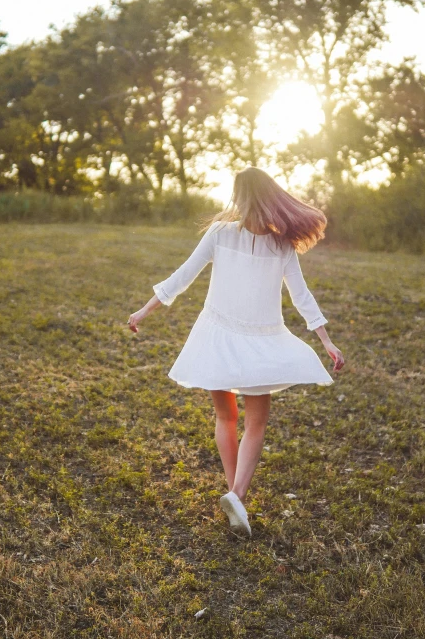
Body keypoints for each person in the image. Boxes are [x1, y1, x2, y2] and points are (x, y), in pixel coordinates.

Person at [128, 166, 344, 537]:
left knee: (224, 417)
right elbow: (301, 296)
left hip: (216, 337)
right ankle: (237, 496)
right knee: (256, 423)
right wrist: (324, 339)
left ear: (240, 198)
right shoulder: (283, 245)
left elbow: (183, 275)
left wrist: (145, 310)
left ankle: (235, 498)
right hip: (260, 343)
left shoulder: (220, 234)